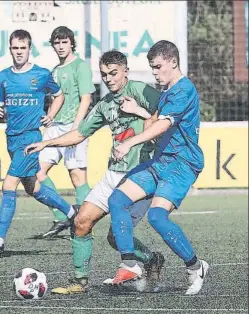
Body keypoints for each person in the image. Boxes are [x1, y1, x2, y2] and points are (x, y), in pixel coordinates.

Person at [25, 50, 164, 294]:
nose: (109, 79)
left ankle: (151, 259)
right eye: (104, 75)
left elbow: (165, 119)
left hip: (141, 175)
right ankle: (80, 282)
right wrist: (47, 143)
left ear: (125, 72)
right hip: (114, 174)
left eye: (113, 73)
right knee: (81, 221)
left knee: (115, 235)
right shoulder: (105, 105)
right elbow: (79, 133)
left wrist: (141, 113)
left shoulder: (142, 92)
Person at [107, 40, 209, 295]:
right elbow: (155, 121)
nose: (154, 73)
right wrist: (139, 110)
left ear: (173, 62)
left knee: (156, 217)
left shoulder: (184, 90)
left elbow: (162, 125)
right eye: (152, 68)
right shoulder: (167, 91)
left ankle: (196, 266)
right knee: (117, 200)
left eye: (157, 67)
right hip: (161, 161)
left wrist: (129, 142)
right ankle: (130, 263)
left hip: (181, 164)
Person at [0, 30, 77, 257]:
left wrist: (50, 115)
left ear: (29, 49)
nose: (19, 52)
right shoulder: (3, 76)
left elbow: (59, 95)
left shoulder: (41, 74)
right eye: (15, 48)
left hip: (30, 138)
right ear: (10, 49)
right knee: (32, 187)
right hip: (11, 138)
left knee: (8, 185)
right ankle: (72, 214)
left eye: (22, 48)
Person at [37, 26, 95, 238]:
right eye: (57, 43)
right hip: (54, 128)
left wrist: (76, 127)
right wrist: (49, 117)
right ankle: (62, 217)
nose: (60, 46)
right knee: (37, 172)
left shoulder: (81, 67)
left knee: (77, 176)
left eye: (64, 42)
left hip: (74, 126)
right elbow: (55, 99)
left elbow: (86, 98)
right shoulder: (55, 71)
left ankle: (85, 222)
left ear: (71, 43)